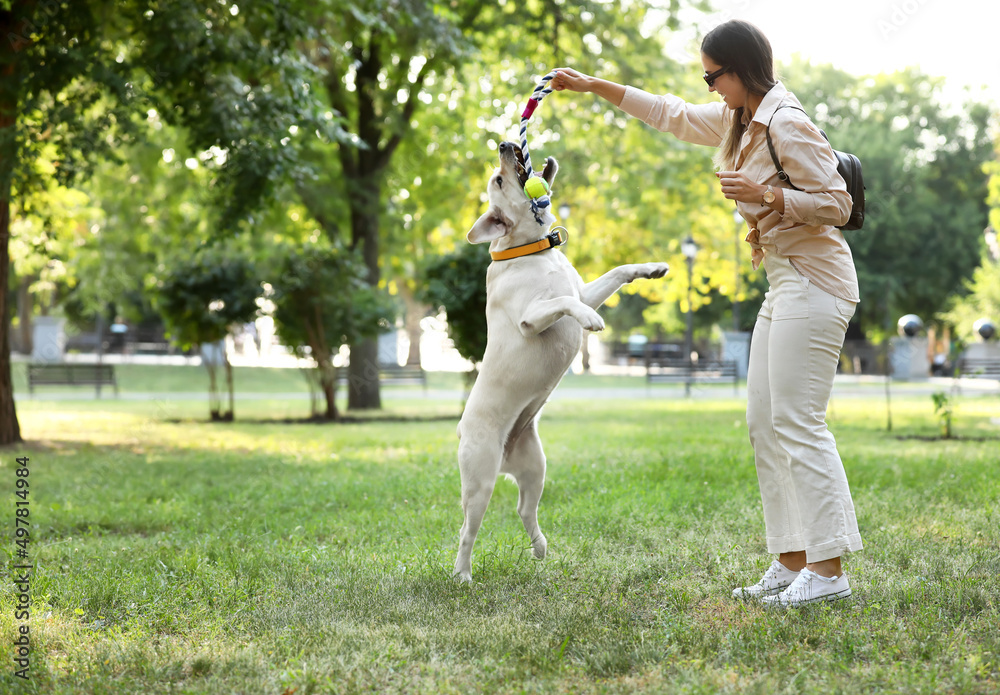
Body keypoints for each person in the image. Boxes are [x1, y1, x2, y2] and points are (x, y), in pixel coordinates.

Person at [550, 19, 862, 608]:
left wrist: (766, 194)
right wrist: (594, 86)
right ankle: (791, 560)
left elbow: (839, 204)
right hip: (783, 281)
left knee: (799, 421)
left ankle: (829, 572)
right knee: (764, 424)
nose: (709, 87)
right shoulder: (741, 121)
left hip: (816, 284)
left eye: (713, 76)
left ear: (741, 70)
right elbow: (669, 113)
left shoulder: (787, 123)